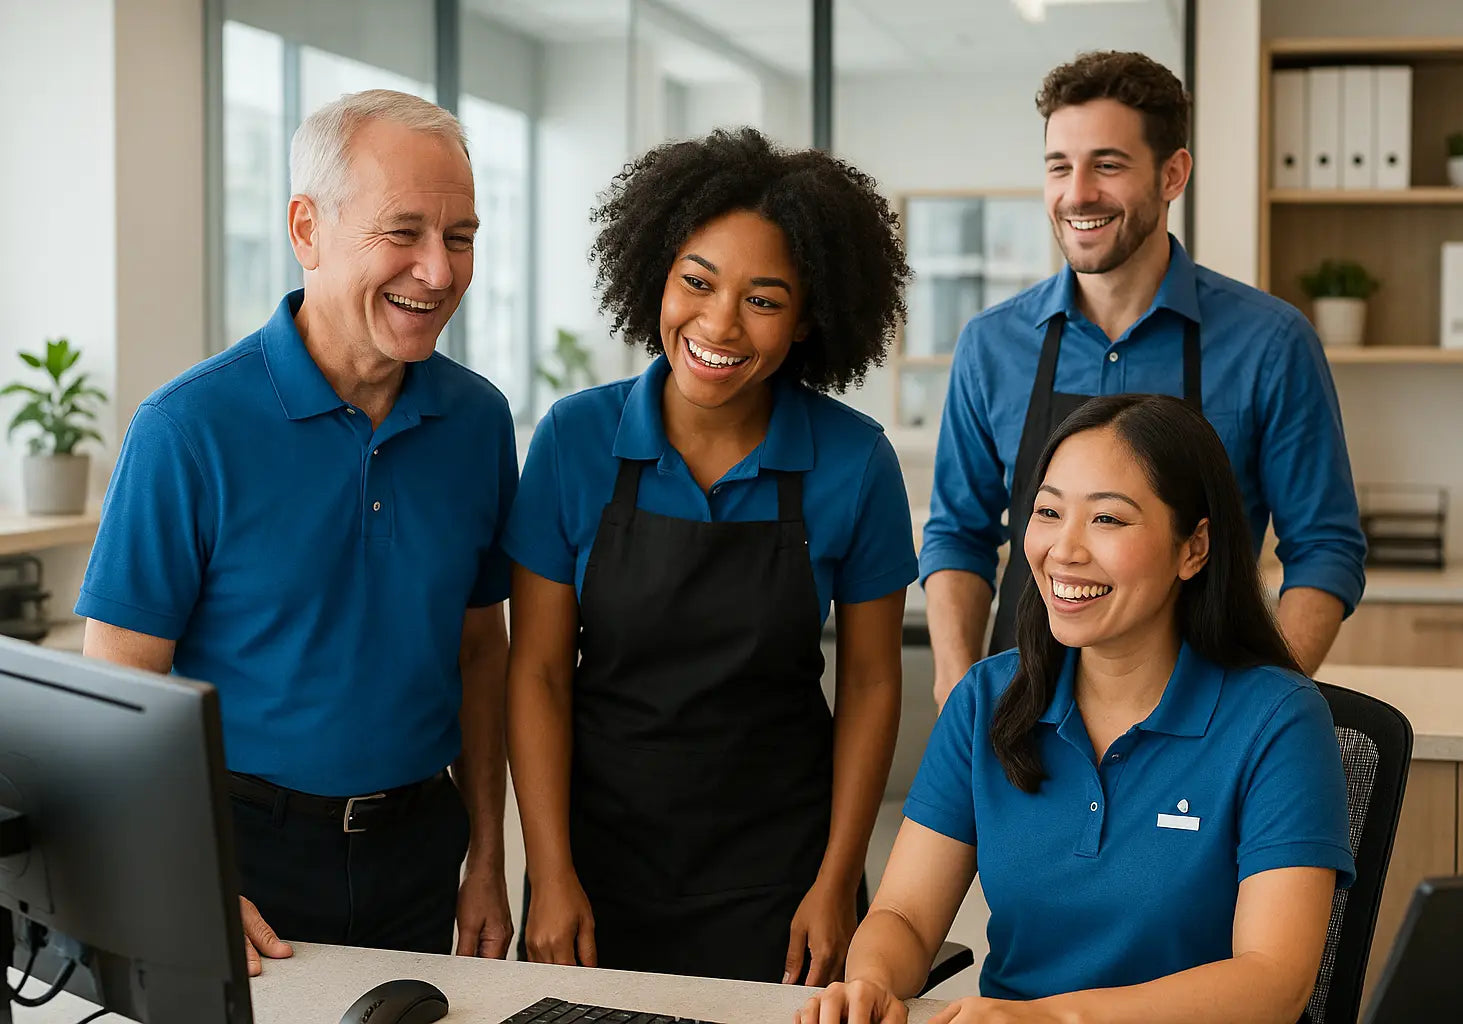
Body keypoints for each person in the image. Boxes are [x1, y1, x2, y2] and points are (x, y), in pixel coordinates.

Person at [75, 89, 517, 976]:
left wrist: (487, 859)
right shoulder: (187, 428)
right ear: (306, 228)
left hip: (419, 849)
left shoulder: (479, 421)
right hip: (240, 857)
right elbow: (119, 685)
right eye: (404, 232)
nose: (439, 271)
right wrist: (184, 875)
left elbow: (480, 652)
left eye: (460, 237)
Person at [505, 127, 916, 987]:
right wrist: (549, 871)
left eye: (764, 300)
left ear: (808, 319)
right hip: (597, 869)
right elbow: (537, 673)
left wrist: (837, 882)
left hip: (783, 874)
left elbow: (873, 684)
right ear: (656, 274)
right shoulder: (574, 440)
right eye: (697, 282)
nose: (719, 323)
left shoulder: (855, 463)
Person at [798, 394, 1354, 1024]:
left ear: (1194, 548)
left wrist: (1053, 1019)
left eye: (1108, 519)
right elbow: (904, 915)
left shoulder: (1279, 720)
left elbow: (1273, 981)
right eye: (1048, 512)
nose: (1064, 549)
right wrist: (871, 981)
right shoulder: (985, 700)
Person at [922, 50, 1366, 707]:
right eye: (1059, 166)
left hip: (1207, 718)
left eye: (1107, 165)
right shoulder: (992, 345)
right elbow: (958, 535)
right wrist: (960, 691)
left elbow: (1325, 548)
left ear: (1172, 174)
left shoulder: (1270, 343)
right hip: (1022, 714)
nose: (1077, 193)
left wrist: (1259, 712)